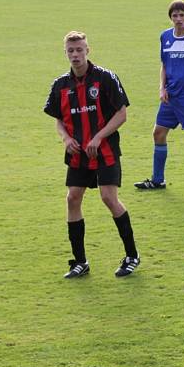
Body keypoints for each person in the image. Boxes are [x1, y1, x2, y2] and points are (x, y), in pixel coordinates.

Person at [43, 31, 140, 279]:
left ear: (88, 50)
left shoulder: (105, 78)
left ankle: (131, 255)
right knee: (72, 198)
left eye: (79, 50)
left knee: (109, 198)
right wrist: (65, 138)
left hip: (104, 150)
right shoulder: (60, 85)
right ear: (65, 52)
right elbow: (58, 119)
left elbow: (121, 114)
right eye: (70, 51)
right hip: (78, 154)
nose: (75, 55)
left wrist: (98, 137)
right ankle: (80, 261)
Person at [135, 0, 184, 190]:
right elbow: (164, 65)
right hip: (170, 98)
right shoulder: (165, 37)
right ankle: (157, 180)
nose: (178, 19)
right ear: (171, 18)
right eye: (175, 16)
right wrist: (162, 87)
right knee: (158, 133)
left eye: (182, 15)